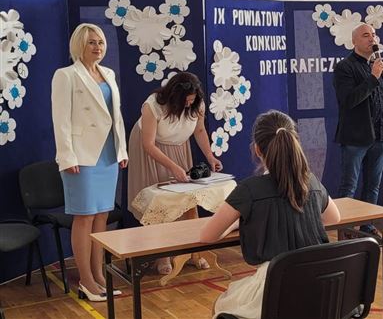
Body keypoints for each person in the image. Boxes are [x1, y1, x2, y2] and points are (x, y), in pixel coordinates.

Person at [200, 110, 341, 319]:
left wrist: (236, 224)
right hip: (318, 288)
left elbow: (207, 236)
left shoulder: (249, 190)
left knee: (221, 304)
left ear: (257, 149)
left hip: (275, 289)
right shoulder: (310, 181)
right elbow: (333, 217)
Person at [51, 23, 128, 302]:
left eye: (100, 42)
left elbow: (116, 115)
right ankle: (85, 281)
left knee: (102, 216)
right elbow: (60, 120)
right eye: (91, 42)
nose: (97, 47)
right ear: (79, 45)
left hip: (108, 154)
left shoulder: (108, 73)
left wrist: (122, 150)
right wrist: (67, 156)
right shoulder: (66, 75)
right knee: (84, 217)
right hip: (81, 156)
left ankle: (98, 276)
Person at [127, 71, 223, 275]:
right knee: (161, 202)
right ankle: (163, 256)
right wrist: (172, 166)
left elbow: (199, 131)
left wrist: (210, 157)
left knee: (187, 199)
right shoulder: (153, 105)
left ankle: (193, 253)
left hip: (179, 146)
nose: (189, 104)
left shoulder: (197, 104)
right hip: (151, 150)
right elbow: (148, 144)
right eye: (185, 101)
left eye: (192, 100)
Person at [333, 23, 383, 234]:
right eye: (365, 35)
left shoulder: (377, 66)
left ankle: (367, 226)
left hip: (379, 136)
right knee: (349, 186)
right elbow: (348, 101)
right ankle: (346, 230)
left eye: (373, 34)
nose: (372, 38)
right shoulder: (345, 67)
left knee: (373, 186)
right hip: (355, 137)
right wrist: (372, 78)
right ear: (354, 41)